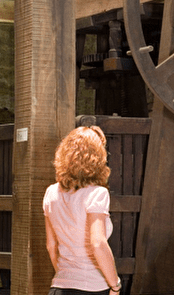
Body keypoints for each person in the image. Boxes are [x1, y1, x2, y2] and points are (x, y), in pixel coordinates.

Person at [43, 126, 122, 295]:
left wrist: (68, 276)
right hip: (92, 287)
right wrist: (115, 285)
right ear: (97, 157)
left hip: (59, 286)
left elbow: (51, 246)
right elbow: (98, 243)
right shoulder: (97, 194)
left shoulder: (50, 192)